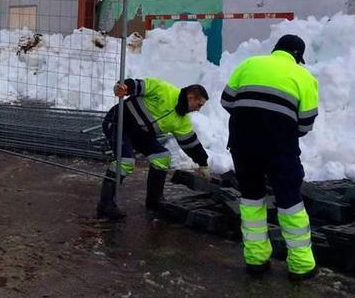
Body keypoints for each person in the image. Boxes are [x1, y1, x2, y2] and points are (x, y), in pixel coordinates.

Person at [221, 34, 319, 280]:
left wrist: (249, 118)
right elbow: (305, 124)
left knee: (252, 199)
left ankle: (255, 260)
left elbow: (226, 101)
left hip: (242, 144)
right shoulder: (304, 76)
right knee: (290, 203)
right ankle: (301, 266)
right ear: (297, 56)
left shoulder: (249, 64)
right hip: (279, 148)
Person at [96, 77, 211, 220]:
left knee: (162, 157)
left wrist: (203, 164)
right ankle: (105, 205)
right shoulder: (164, 90)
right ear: (190, 97)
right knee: (125, 162)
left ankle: (154, 200)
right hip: (118, 122)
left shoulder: (183, 121)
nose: (198, 109)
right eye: (198, 104)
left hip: (140, 134)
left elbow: (191, 144)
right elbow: (139, 85)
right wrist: (124, 87)